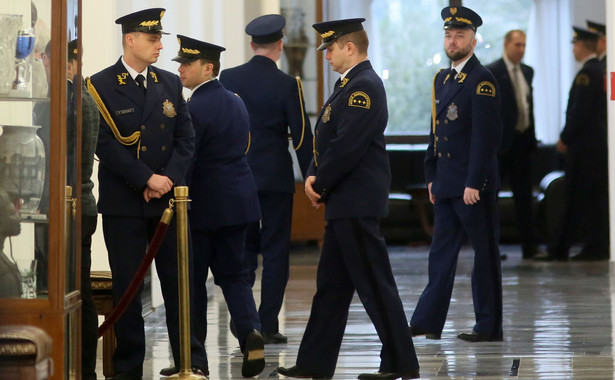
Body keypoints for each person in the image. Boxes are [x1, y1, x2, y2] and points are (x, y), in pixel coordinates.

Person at [277, 18, 420, 380]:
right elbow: (325, 137)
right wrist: (312, 173)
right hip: (344, 203)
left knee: (375, 285)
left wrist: (319, 183)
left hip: (355, 203)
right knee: (331, 290)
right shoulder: (347, 86)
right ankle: (314, 363)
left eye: (331, 49)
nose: (326, 56)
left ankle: (401, 364)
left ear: (350, 47)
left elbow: (347, 146)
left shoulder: (364, 87)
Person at [88, 8, 205, 379]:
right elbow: (104, 144)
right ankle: (128, 369)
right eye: (153, 39)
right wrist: (145, 179)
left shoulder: (169, 84)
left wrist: (167, 179)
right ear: (130, 40)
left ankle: (190, 362)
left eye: (159, 39)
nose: (159, 46)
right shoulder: (101, 84)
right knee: (129, 289)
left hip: (168, 205)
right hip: (124, 203)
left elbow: (186, 139)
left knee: (178, 286)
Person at [162, 34, 265, 378]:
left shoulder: (193, 108)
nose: (181, 69)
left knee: (192, 284)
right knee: (235, 276)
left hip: (202, 207)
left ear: (208, 68)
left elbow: (187, 158)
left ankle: (194, 362)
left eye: (187, 64)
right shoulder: (236, 101)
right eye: (180, 63)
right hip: (239, 204)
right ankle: (251, 332)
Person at [409, 6, 504, 343]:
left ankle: (489, 325)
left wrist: (474, 183)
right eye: (449, 35)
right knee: (441, 254)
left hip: (471, 185)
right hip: (446, 182)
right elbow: (436, 131)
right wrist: (431, 175)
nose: (453, 40)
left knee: (485, 256)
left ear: (473, 41)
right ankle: (427, 320)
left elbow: (486, 137)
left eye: (460, 35)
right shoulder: (443, 78)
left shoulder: (482, 80)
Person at [219, 14, 314, 344]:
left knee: (242, 252)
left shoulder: (228, 78)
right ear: (280, 45)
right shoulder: (288, 84)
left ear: (251, 44)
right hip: (276, 180)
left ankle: (245, 322)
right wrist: (312, 175)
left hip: (237, 180)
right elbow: (302, 137)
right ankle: (269, 323)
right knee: (275, 253)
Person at [537, 27, 608, 261]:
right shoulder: (602, 70)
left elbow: (579, 112)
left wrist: (565, 137)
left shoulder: (587, 74)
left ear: (581, 46)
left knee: (576, 197)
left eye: (575, 44)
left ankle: (560, 248)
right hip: (597, 146)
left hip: (584, 147)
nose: (573, 48)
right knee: (595, 199)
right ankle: (595, 246)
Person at [486, 30, 539, 259]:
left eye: (524, 45)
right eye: (517, 45)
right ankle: (491, 249)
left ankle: (530, 248)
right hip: (500, 146)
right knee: (492, 199)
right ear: (506, 44)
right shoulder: (492, 71)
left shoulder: (528, 71)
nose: (521, 50)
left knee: (524, 198)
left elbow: (527, 105)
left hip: (522, 142)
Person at [66, 38, 101, 380]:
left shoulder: (74, 98)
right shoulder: (79, 95)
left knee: (80, 293)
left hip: (74, 206)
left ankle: (84, 369)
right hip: (78, 204)